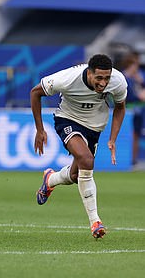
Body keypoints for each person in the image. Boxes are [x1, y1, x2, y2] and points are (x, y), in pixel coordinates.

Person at [32, 54, 128, 239]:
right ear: (89, 72)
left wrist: (112, 139)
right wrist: (39, 129)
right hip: (68, 119)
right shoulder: (68, 78)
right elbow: (35, 92)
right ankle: (95, 222)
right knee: (86, 159)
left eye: (106, 78)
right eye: (99, 78)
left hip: (94, 128)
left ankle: (50, 179)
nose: (103, 83)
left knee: (77, 176)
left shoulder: (118, 81)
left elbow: (120, 106)